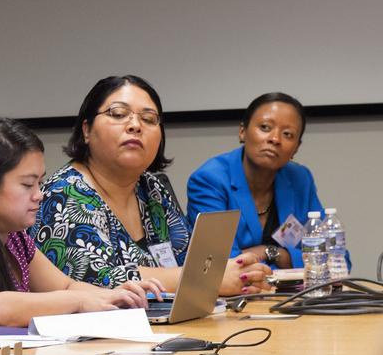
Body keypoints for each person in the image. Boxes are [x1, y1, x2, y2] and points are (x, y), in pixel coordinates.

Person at [33, 75, 271, 295]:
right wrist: (205, 279)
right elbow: (94, 280)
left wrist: (236, 273)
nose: (135, 125)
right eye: (118, 114)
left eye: (148, 119)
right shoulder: (63, 193)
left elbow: (190, 260)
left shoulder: (151, 187)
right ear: (86, 130)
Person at [0, 118, 163, 328]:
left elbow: (65, 286)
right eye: (27, 185)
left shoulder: (14, 236)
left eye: (39, 183)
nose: (39, 195)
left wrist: (114, 296)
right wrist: (79, 301)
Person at [186, 92, 344, 270]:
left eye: (287, 134)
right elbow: (218, 265)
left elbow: (337, 258)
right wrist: (296, 260)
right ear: (242, 132)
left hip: (293, 288)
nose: (275, 139)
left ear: (296, 148)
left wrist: (271, 253)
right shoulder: (210, 180)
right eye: (265, 127)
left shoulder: (300, 179)